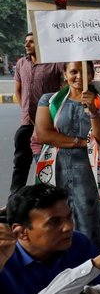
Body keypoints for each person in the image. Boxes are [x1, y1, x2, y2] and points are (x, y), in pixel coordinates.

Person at [35, 60, 100, 252]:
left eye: (84, 72)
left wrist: (93, 112)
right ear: (65, 74)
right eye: (73, 72)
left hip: (90, 173)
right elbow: (44, 134)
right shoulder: (49, 100)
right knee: (57, 215)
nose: (79, 76)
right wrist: (83, 142)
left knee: (90, 218)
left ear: (91, 75)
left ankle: (93, 263)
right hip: (58, 169)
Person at [10, 33, 62, 194]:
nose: (27, 45)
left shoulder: (55, 64)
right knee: (20, 163)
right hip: (27, 123)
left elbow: (66, 85)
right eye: (26, 42)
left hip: (48, 125)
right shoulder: (21, 63)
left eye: (31, 42)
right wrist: (25, 110)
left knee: (44, 164)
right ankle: (14, 202)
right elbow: (18, 90)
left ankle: (47, 202)